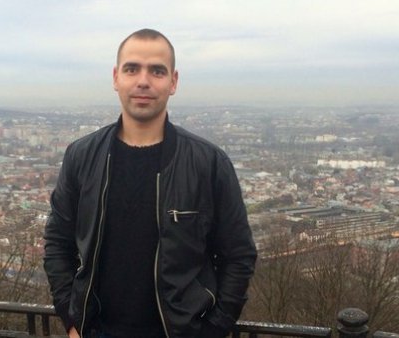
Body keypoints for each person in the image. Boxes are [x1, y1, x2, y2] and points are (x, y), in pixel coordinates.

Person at [43, 29, 257, 338]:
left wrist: (212, 330)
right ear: (116, 77)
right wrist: (72, 320)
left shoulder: (208, 163)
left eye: (157, 71)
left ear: (173, 82)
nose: (143, 81)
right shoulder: (82, 156)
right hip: (98, 331)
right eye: (132, 69)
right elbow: (57, 243)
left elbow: (238, 255)